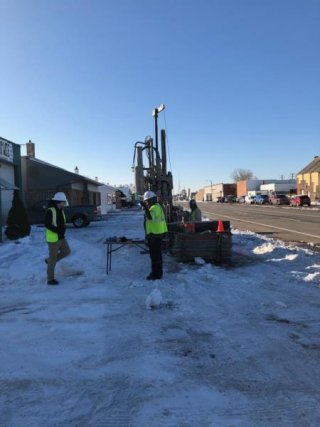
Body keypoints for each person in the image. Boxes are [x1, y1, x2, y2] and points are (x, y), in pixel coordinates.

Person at [45, 192, 71, 285]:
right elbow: (47, 224)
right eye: (63, 202)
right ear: (59, 202)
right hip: (53, 239)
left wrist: (63, 229)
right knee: (53, 258)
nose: (64, 203)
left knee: (67, 251)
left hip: (61, 237)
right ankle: (50, 279)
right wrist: (57, 230)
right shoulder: (50, 210)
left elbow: (61, 222)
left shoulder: (61, 210)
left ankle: (49, 261)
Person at [142, 191, 168, 280]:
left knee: (155, 256)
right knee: (157, 255)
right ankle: (158, 273)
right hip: (156, 234)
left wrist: (145, 208)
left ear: (150, 200)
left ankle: (155, 274)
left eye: (147, 201)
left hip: (154, 235)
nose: (146, 203)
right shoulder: (157, 206)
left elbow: (150, 217)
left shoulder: (154, 208)